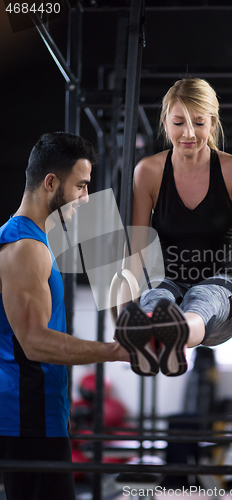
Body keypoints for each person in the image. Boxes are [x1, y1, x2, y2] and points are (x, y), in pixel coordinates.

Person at [0, 132, 129, 500]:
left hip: (37, 418)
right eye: (81, 186)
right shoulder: (25, 248)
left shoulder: (31, 241)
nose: (86, 198)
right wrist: (115, 351)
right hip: (29, 421)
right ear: (51, 182)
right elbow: (35, 342)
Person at [114, 78, 232, 378]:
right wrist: (124, 316)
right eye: (178, 122)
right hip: (166, 279)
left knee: (201, 300)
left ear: (213, 123)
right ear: (165, 122)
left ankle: (176, 336)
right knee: (157, 299)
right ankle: (153, 335)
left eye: (199, 123)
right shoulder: (148, 172)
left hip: (219, 285)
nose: (188, 133)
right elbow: (134, 253)